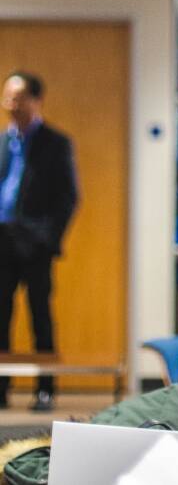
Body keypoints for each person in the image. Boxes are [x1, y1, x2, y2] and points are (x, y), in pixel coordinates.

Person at [0, 72, 78, 412]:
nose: (11, 104)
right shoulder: (3, 142)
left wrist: (48, 238)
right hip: (2, 241)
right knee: (1, 318)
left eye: (18, 97)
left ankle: (45, 389)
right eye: (7, 96)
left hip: (35, 244)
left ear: (35, 100)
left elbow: (68, 197)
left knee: (39, 317)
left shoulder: (55, 142)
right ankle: (2, 388)